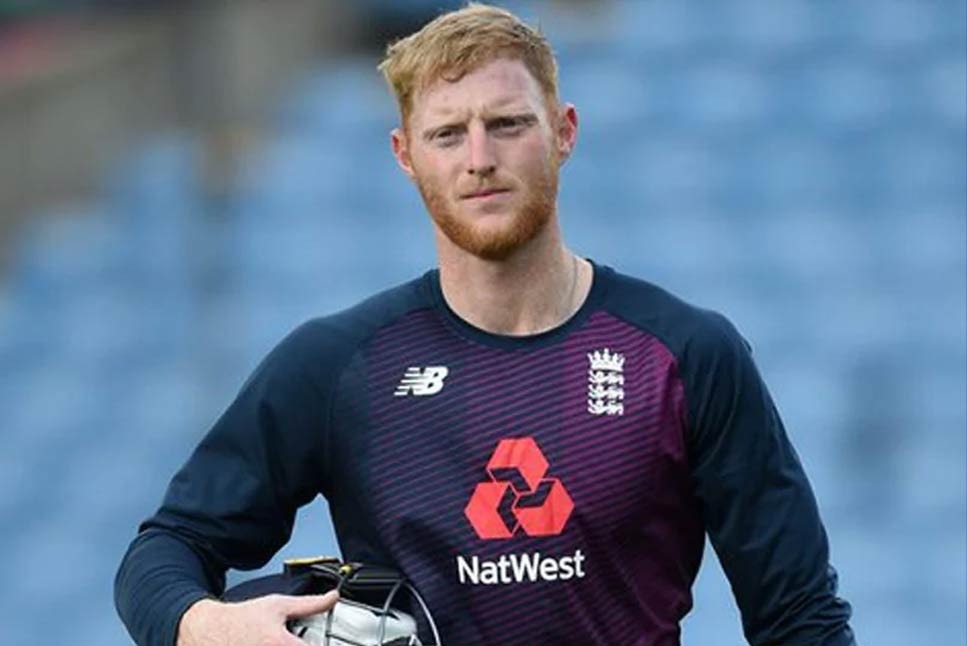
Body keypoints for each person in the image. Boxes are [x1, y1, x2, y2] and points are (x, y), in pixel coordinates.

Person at [114, 3, 857, 645]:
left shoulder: (685, 354)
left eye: (507, 125)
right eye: (447, 134)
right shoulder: (339, 363)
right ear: (405, 155)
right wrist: (204, 626)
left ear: (563, 132)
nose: (479, 159)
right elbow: (165, 551)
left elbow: (799, 617)